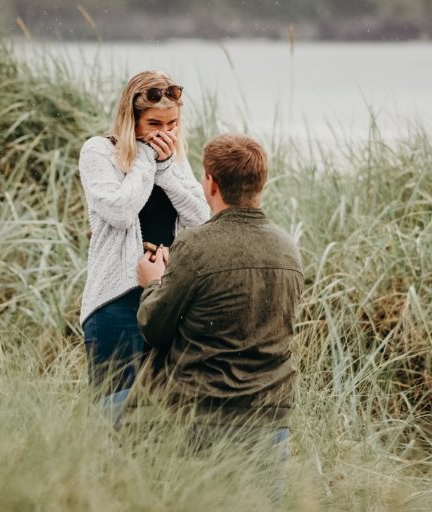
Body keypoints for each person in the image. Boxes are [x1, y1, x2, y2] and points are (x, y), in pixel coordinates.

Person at [133, 133, 304, 500]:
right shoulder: (289, 249)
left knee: (105, 412)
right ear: (261, 183)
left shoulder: (195, 246)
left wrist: (153, 283)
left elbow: (153, 327)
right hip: (269, 415)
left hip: (200, 415)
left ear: (209, 183)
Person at [78, 70, 210, 410]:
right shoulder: (98, 153)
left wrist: (166, 167)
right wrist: (147, 160)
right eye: (154, 124)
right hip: (115, 300)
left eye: (172, 124)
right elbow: (120, 212)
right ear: (130, 119)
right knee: (113, 411)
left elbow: (201, 219)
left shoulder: (173, 159)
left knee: (162, 413)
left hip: (166, 300)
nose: (164, 134)